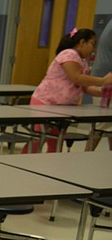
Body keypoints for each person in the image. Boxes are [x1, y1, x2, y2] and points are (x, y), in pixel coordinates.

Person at [24, 28, 112, 153]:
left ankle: (52, 166)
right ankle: (26, 161)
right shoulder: (68, 54)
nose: (94, 49)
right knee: (38, 139)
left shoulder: (82, 60)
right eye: (92, 44)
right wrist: (103, 81)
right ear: (82, 42)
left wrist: (100, 92)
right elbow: (77, 78)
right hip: (45, 103)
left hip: (63, 108)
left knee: (56, 141)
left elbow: (83, 86)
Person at [90, 22, 112, 150]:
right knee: (100, 125)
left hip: (103, 77)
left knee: (107, 123)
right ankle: (86, 156)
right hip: (105, 80)